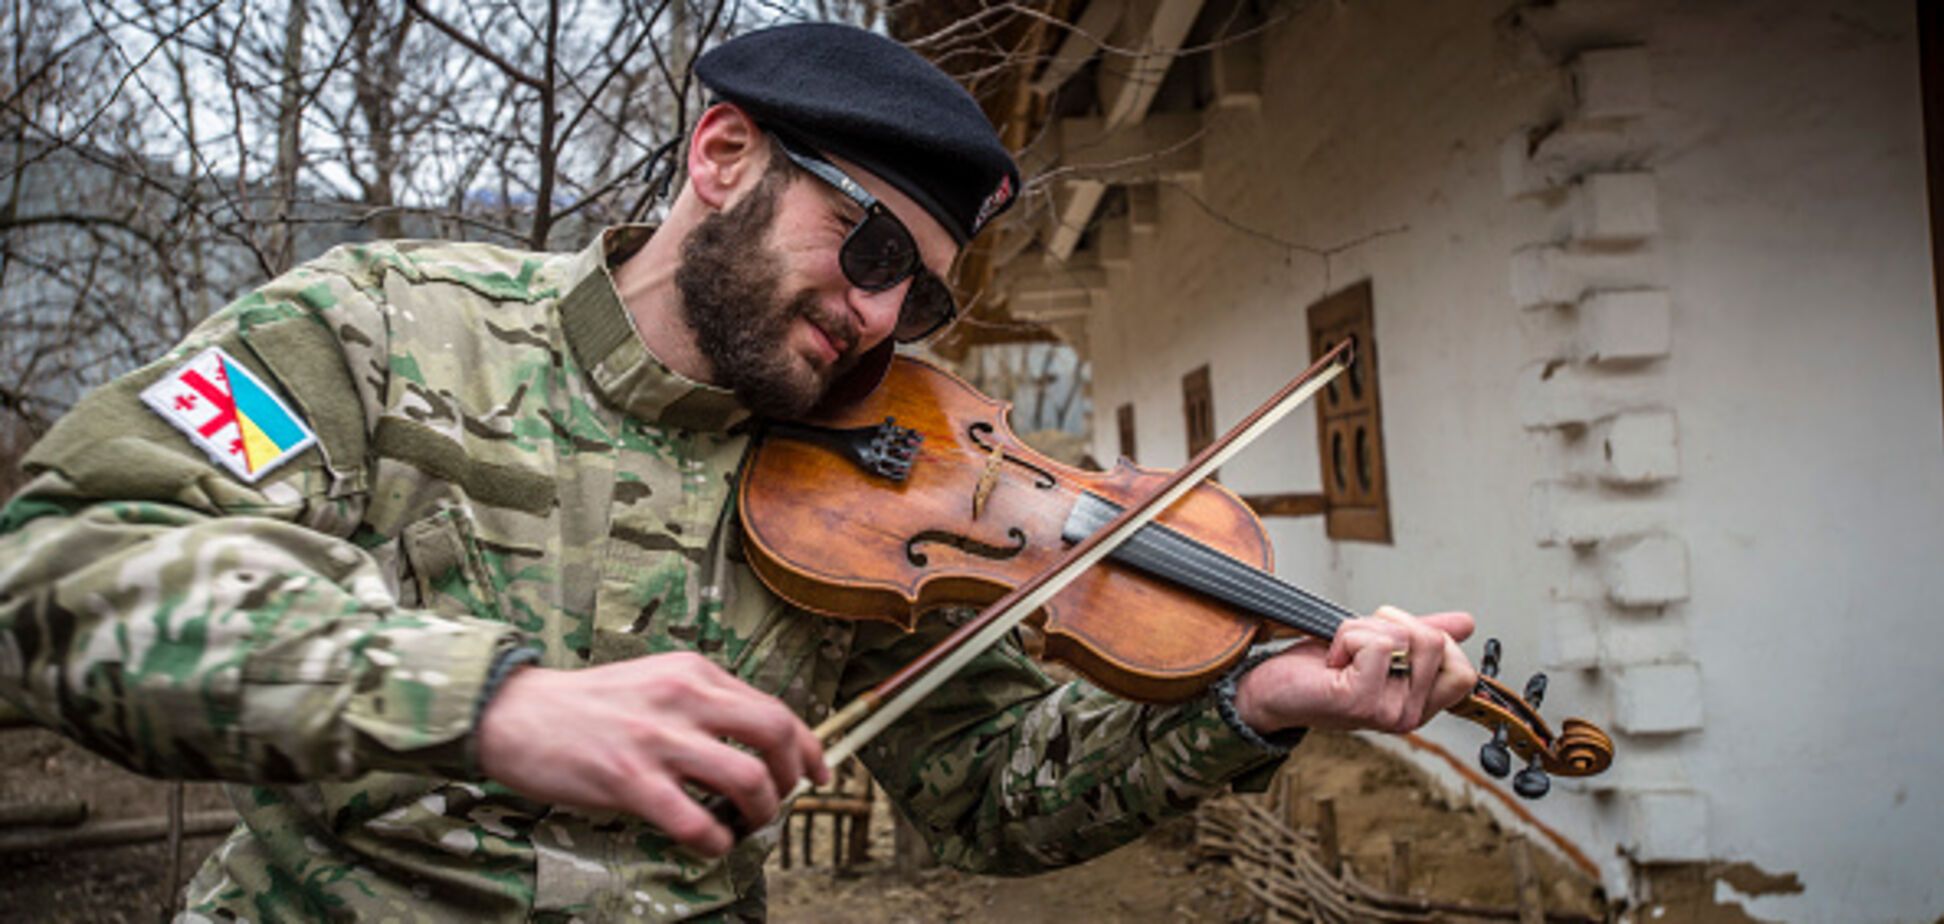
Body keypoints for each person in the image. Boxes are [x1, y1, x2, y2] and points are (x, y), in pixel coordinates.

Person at [0, 22, 1477, 922]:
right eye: (873, 247)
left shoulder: (874, 500)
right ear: (721, 156)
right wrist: (486, 703)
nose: (886, 318)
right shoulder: (380, 332)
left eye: (926, 296)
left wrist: (1249, 703)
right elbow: (70, 556)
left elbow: (990, 796)